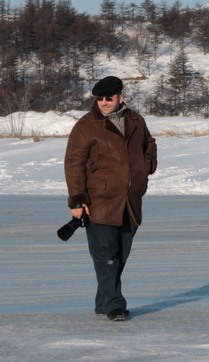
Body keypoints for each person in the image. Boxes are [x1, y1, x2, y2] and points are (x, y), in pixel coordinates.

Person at [64, 76, 157, 321]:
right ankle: (115, 305)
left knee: (120, 255)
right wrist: (77, 200)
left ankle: (103, 302)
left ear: (120, 98)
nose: (104, 102)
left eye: (109, 98)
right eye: (100, 99)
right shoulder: (87, 125)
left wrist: (147, 164)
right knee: (106, 256)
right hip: (99, 201)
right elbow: (74, 163)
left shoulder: (136, 120)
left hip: (130, 201)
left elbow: (149, 142)